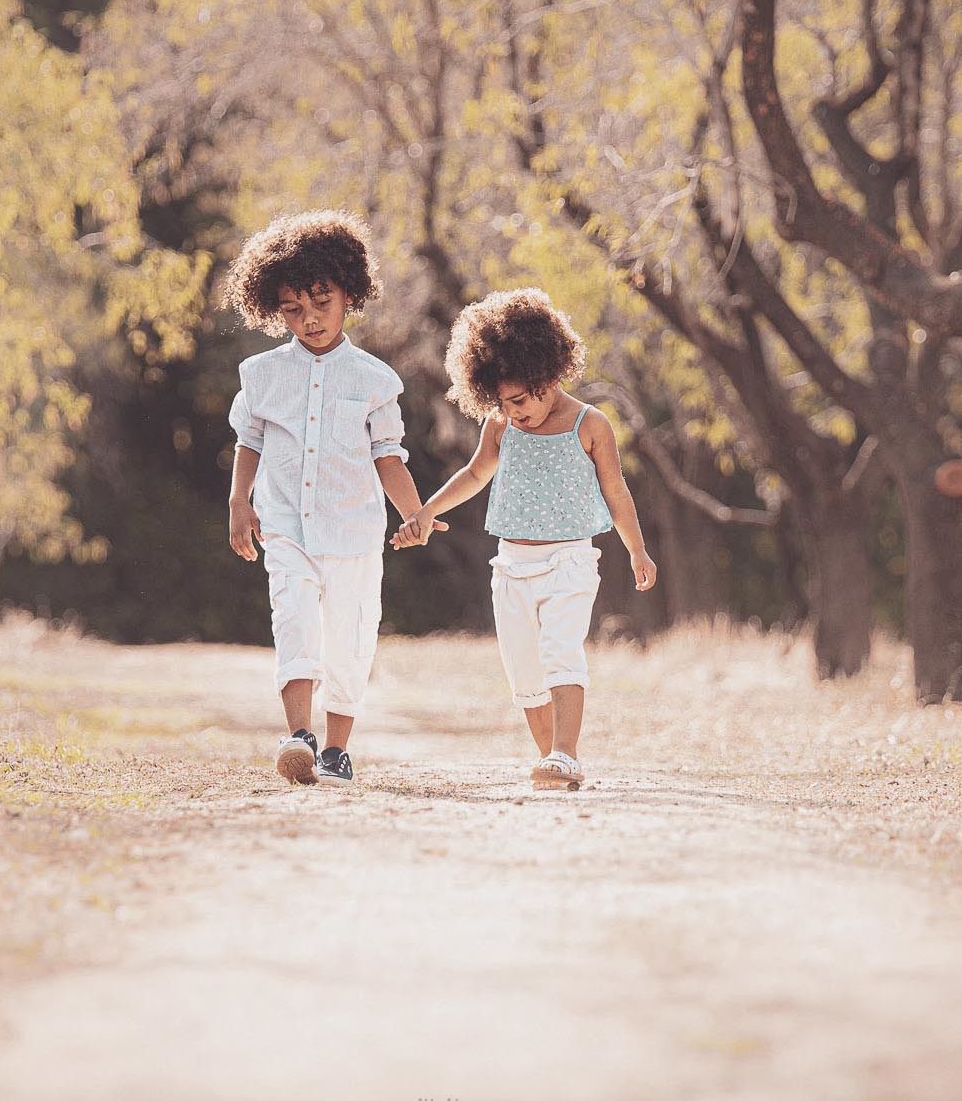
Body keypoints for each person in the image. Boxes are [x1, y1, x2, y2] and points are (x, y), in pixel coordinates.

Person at [392, 288, 655, 788]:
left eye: (519, 400)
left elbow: (616, 491)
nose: (513, 412)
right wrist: (426, 512)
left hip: (569, 562)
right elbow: (474, 475)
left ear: (548, 376)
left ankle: (566, 753)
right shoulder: (501, 426)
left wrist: (637, 550)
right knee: (525, 673)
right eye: (502, 402)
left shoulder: (590, 424)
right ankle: (551, 760)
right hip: (511, 566)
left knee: (561, 653)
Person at [225, 210, 438, 785]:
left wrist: (414, 514)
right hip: (286, 527)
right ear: (274, 308)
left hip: (354, 533)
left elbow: (388, 456)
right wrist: (240, 502)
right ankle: (298, 736)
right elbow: (249, 440)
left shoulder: (374, 380)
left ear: (349, 294)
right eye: (293, 309)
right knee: (294, 622)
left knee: (350, 638)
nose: (310, 319)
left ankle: (336, 750)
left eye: (322, 302)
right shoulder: (261, 375)